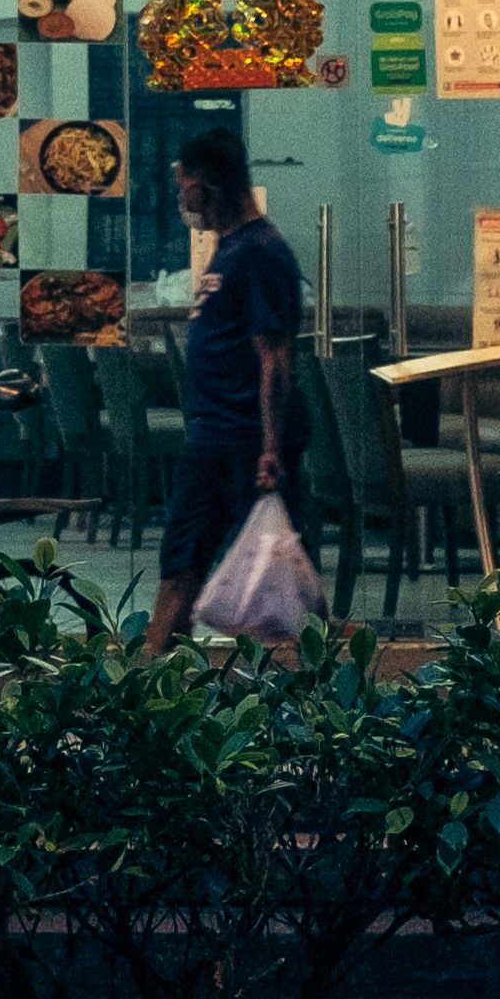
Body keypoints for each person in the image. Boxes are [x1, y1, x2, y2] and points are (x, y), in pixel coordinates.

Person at [142, 126, 303, 650]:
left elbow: (274, 356)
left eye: (183, 186)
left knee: (271, 575)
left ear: (205, 185)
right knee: (181, 558)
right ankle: (151, 673)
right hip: (210, 436)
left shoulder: (261, 252)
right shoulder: (229, 249)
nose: (180, 200)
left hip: (247, 441)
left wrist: (271, 447)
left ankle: (303, 681)